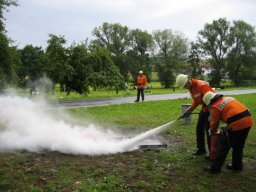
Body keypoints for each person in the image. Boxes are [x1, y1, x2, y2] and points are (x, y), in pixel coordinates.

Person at [202, 91, 253, 173]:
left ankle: (214, 169)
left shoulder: (215, 106)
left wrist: (211, 131)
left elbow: (214, 124)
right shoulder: (228, 98)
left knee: (223, 146)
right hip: (247, 120)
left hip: (236, 123)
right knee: (238, 145)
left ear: (209, 102)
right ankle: (237, 166)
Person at [176, 74, 215, 156]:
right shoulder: (190, 88)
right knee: (199, 129)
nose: (185, 87)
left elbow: (211, 100)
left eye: (185, 85)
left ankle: (211, 153)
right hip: (204, 109)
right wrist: (189, 110)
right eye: (184, 86)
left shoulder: (202, 86)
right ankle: (201, 150)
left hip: (211, 108)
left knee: (209, 131)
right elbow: (196, 101)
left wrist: (211, 114)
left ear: (188, 80)